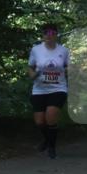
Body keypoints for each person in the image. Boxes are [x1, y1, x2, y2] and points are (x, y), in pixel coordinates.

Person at [28, 24, 70, 158]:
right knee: (40, 121)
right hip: (39, 89)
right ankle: (47, 140)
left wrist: (69, 71)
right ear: (43, 35)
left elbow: (69, 67)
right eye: (46, 33)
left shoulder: (63, 51)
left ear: (56, 34)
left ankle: (52, 148)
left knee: (50, 117)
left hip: (58, 88)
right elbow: (30, 67)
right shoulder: (36, 50)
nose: (49, 35)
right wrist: (33, 75)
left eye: (52, 33)